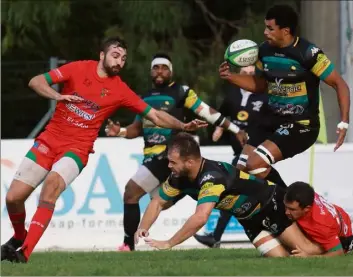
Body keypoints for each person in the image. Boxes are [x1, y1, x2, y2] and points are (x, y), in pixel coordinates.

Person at [1, 37, 206, 263]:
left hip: (77, 149)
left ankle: (24, 253)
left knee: (52, 186)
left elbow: (156, 115)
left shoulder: (120, 89)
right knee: (13, 198)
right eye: (115, 56)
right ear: (102, 55)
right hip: (48, 141)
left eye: (124, 58)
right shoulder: (78, 68)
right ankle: (19, 237)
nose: (120, 62)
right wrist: (57, 95)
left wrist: (183, 125)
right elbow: (36, 81)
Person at [104, 53, 248, 251]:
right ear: (150, 71)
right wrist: (119, 131)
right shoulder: (143, 97)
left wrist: (235, 129)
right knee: (159, 201)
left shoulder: (181, 92)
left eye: (164, 67)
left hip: (169, 156)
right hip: (152, 157)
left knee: (131, 192)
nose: (160, 71)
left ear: (171, 71)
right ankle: (185, 193)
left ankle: (128, 245)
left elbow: (208, 112)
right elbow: (136, 129)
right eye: (156, 67)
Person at [219, 5, 350, 185]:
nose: (265, 32)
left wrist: (343, 122)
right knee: (240, 171)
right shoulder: (264, 51)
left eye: (270, 28)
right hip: (271, 120)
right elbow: (261, 85)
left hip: (301, 126)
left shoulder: (307, 53)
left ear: (286, 31)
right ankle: (264, 210)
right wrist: (231, 76)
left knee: (254, 164)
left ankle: (287, 203)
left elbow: (340, 84)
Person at [134, 133, 323, 257]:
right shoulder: (179, 176)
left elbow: (201, 217)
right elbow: (157, 202)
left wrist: (169, 243)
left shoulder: (212, 177)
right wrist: (142, 227)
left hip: (270, 205)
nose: (169, 166)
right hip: (248, 219)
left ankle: (340, 249)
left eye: (173, 162)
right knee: (281, 260)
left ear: (190, 162)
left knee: (303, 252)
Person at [194, 65, 271, 248]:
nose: (249, 77)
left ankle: (216, 236)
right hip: (239, 153)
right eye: (245, 74)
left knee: (232, 188)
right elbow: (222, 113)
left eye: (252, 74)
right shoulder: (232, 94)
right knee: (246, 193)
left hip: (256, 153)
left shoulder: (263, 96)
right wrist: (220, 128)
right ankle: (218, 237)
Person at [284, 181, 353, 256]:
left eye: (292, 209)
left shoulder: (321, 224)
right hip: (336, 216)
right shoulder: (305, 195)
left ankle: (348, 243)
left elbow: (338, 252)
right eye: (286, 207)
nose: (286, 212)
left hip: (339, 232)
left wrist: (307, 256)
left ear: (307, 208)